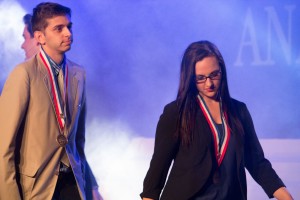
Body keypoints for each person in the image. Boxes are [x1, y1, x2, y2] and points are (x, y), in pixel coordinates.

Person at [140, 41, 293, 200]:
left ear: (222, 71)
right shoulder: (176, 113)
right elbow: (156, 175)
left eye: (214, 74)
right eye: (200, 78)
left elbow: (257, 163)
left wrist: (286, 196)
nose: (209, 84)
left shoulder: (239, 111)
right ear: (190, 78)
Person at [0, 2, 102, 200]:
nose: (68, 33)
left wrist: (90, 186)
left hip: (72, 182)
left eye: (69, 27)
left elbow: (77, 142)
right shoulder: (24, 74)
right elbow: (4, 147)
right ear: (40, 37)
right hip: (38, 187)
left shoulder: (78, 73)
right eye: (58, 28)